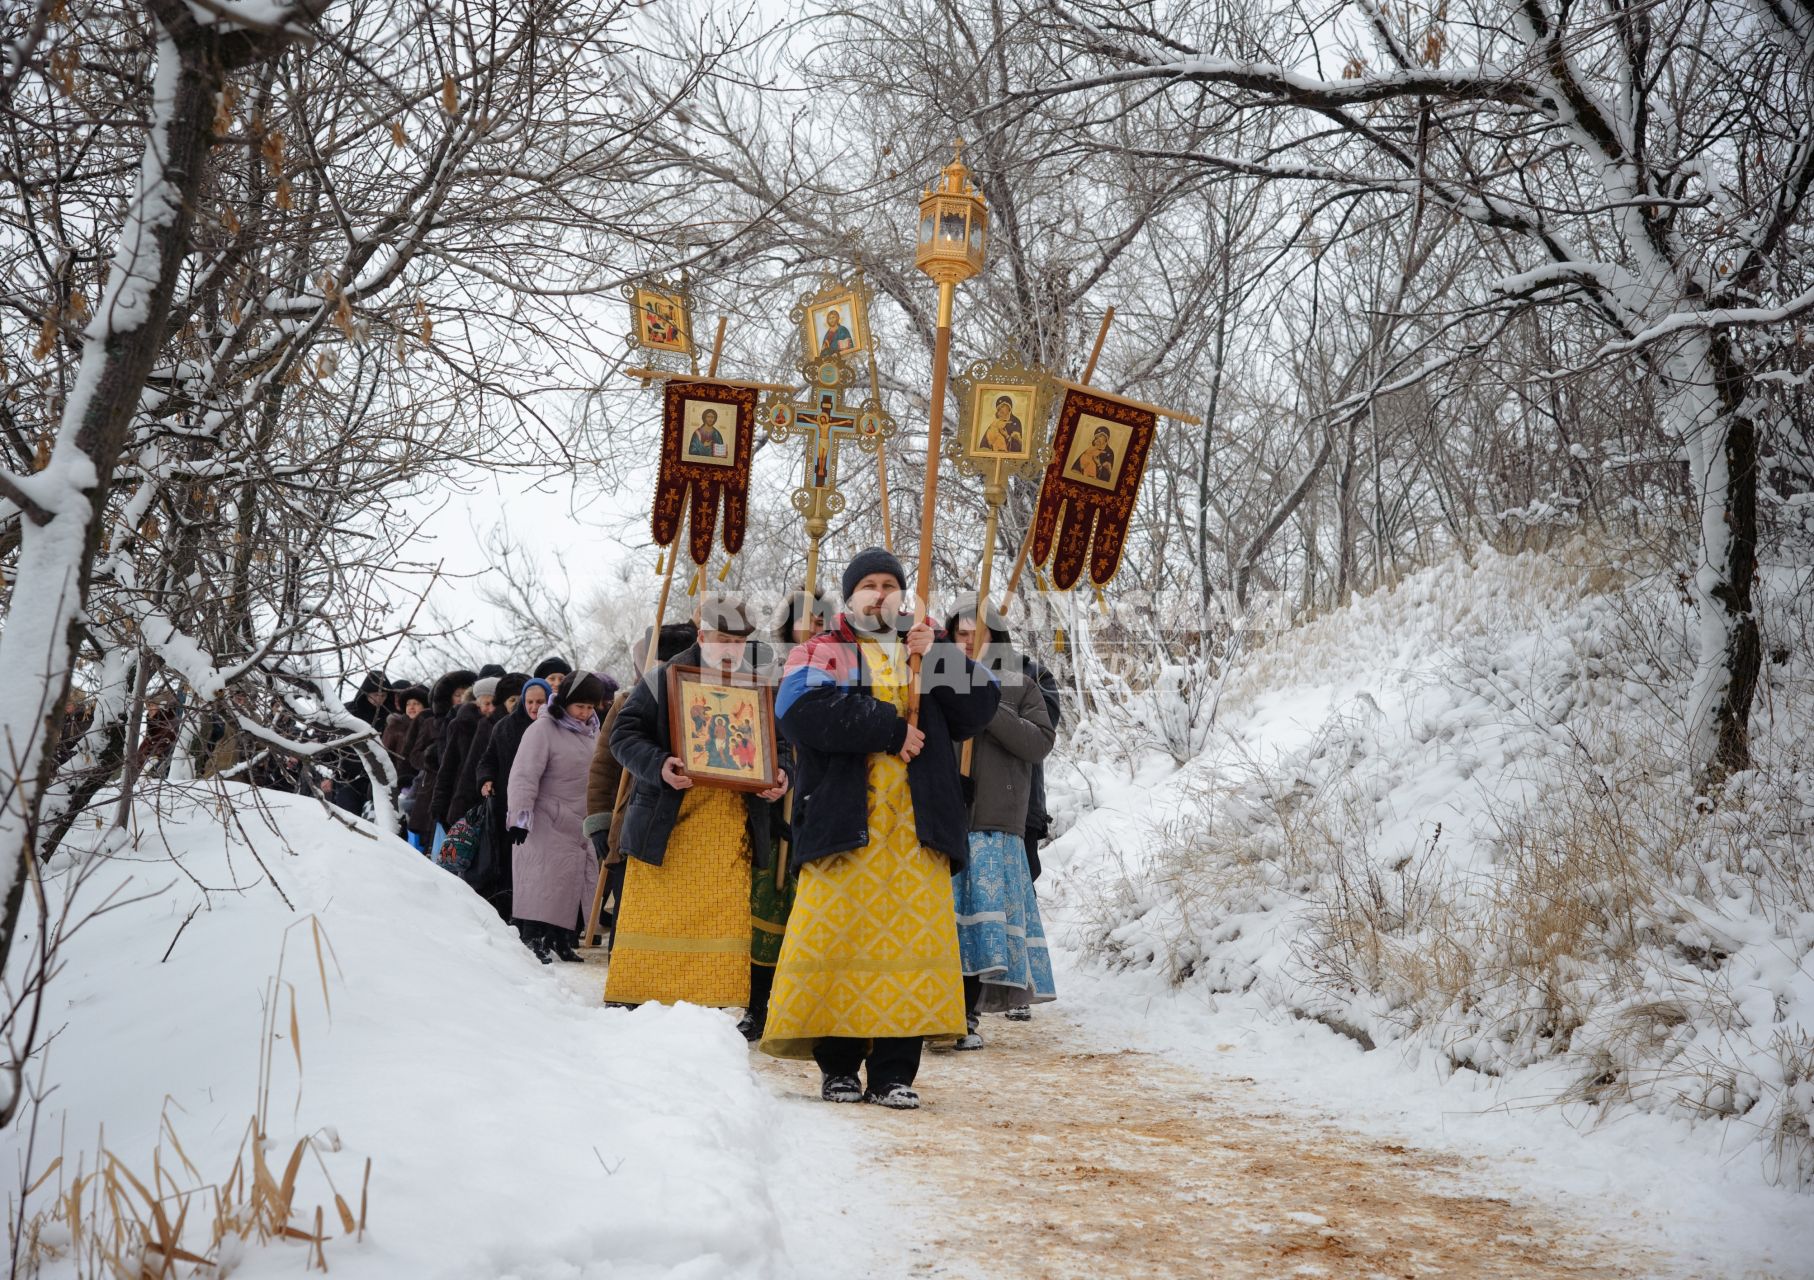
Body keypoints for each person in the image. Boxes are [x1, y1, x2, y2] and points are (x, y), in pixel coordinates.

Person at [760, 548, 999, 1109]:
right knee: (838, 947)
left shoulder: (928, 646)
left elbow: (981, 708)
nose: (879, 593)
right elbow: (799, 711)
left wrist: (940, 653)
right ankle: (838, 1068)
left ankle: (895, 1074)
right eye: (867, 584)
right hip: (845, 827)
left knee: (910, 955)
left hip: (917, 834)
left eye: (890, 583)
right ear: (850, 597)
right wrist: (888, 728)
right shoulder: (820, 650)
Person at [604, 594, 786, 1008]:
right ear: (702, 636)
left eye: (738, 642)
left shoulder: (758, 685)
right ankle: (638, 999)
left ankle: (714, 1004)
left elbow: (780, 745)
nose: (731, 650)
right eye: (722, 639)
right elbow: (623, 735)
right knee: (658, 914)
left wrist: (779, 777)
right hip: (668, 824)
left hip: (728, 827)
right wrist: (659, 764)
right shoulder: (662, 677)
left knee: (719, 918)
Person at [944, 599, 1057, 1047]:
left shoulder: (1021, 682)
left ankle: (969, 1012)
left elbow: (1039, 742)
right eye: (959, 632)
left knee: (981, 924)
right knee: (949, 922)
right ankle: (946, 1009)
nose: (967, 639)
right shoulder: (938, 680)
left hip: (995, 821)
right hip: (949, 817)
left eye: (976, 631)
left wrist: (987, 706)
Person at [739, 587, 829, 1042]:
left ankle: (809, 1009)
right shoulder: (768, 673)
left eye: (820, 620)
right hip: (776, 803)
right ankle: (758, 1005)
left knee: (814, 915)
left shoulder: (844, 672)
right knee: (768, 906)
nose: (812, 627)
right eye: (805, 619)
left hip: (825, 804)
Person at [585, 623, 698, 950]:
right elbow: (605, 767)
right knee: (632, 912)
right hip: (635, 819)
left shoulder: (708, 697)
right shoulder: (628, 702)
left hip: (692, 825)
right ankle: (622, 986)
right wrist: (600, 821)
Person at [508, 671, 614, 963]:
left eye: (591, 707)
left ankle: (560, 939)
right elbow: (523, 774)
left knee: (568, 886)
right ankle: (532, 938)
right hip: (545, 819)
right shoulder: (542, 730)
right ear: (565, 702)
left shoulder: (590, 733)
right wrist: (520, 816)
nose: (586, 712)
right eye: (580, 706)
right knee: (542, 883)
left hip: (577, 822)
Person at [475, 676, 550, 922]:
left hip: (545, 808)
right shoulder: (504, 727)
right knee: (510, 865)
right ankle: (510, 916)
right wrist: (486, 779)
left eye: (540, 701)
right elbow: (488, 759)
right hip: (507, 808)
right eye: (529, 701)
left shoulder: (556, 727)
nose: (534, 707)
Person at [406, 669, 476, 850]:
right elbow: (414, 755)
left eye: (465, 694)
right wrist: (433, 755)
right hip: (434, 786)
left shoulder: (474, 721)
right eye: (457, 695)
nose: (461, 698)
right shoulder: (432, 722)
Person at [433, 675, 496, 835]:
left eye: (494, 704)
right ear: (477, 703)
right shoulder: (460, 725)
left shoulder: (499, 727)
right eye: (486, 704)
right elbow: (448, 766)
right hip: (460, 796)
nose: (490, 709)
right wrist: (439, 804)